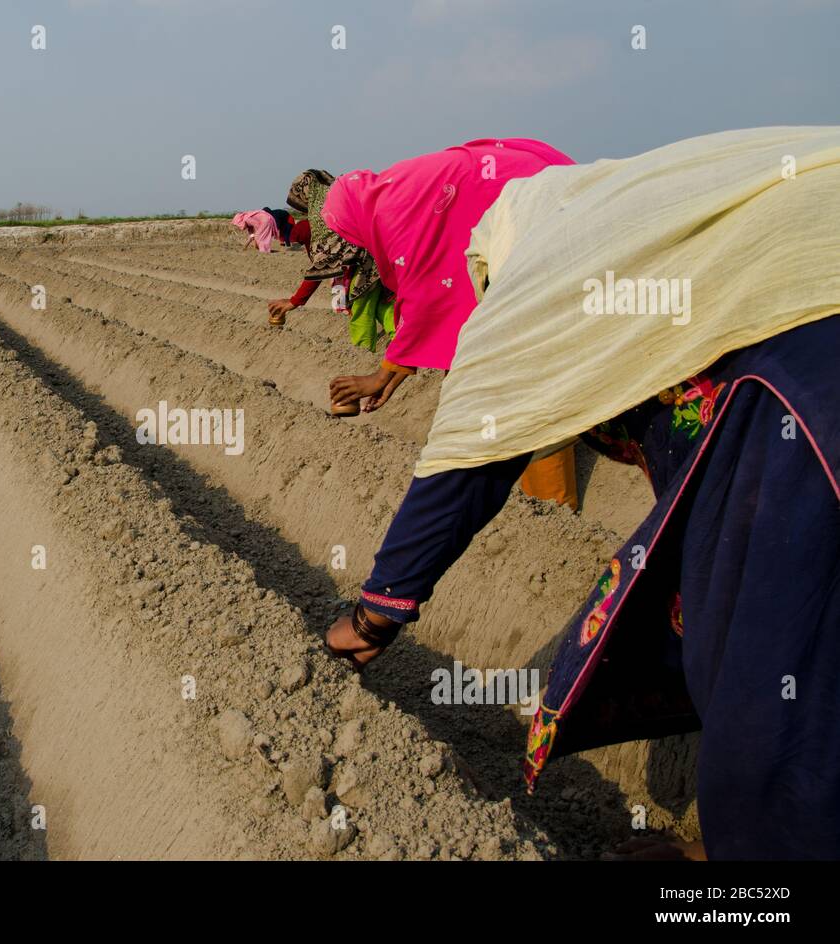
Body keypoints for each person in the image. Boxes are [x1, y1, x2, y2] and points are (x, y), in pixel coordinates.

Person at [323, 126, 840, 860]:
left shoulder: (533, 276)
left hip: (804, 404)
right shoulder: (620, 212)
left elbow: (470, 457)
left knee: (774, 696)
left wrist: (374, 615)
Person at [320, 140, 579, 503]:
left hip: (537, 226)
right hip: (544, 204)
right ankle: (499, 482)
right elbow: (440, 288)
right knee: (478, 370)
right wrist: (392, 375)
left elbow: (429, 295)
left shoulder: (394, 211)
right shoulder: (395, 193)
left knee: (521, 377)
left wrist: (381, 376)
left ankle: (550, 507)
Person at [266, 169, 396, 352]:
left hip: (364, 268)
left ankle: (362, 355)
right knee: (383, 307)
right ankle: (407, 349)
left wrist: (294, 301)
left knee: (361, 313)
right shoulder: (344, 203)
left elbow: (322, 265)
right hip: (383, 259)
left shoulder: (323, 219)